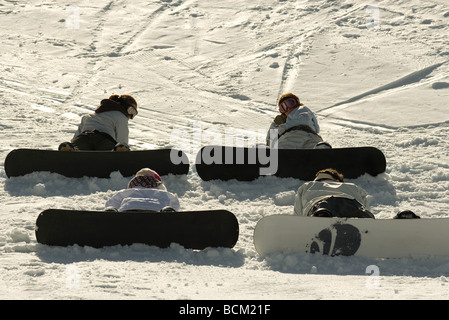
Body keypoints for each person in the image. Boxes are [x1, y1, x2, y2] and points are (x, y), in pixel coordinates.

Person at [293, 168, 420, 219]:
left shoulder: (307, 185)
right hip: (351, 203)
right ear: (338, 180)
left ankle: (321, 216)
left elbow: (298, 215)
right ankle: (400, 220)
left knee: (322, 211)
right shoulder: (351, 186)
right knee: (363, 217)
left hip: (321, 204)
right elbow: (365, 205)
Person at [58, 94, 138, 151]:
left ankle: (72, 151)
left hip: (83, 138)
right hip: (104, 140)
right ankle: (115, 153)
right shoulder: (121, 116)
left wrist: (74, 144)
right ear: (122, 106)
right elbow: (122, 139)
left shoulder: (88, 116)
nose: (130, 116)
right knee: (107, 152)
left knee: (79, 149)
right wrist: (123, 149)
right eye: (131, 111)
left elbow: (76, 137)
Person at [266, 92, 331, 149]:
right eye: (283, 107)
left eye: (290, 103)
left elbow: (303, 120)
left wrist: (280, 130)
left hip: (295, 136)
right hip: (310, 137)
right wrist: (275, 124)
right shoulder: (282, 121)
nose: (288, 108)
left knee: (285, 148)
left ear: (296, 102)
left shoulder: (301, 109)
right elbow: (271, 141)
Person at [105, 168, 180, 212]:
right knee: (168, 209)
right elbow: (175, 204)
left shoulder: (128, 192)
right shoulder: (162, 193)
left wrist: (113, 210)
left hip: (129, 211)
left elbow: (112, 202)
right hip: (156, 212)